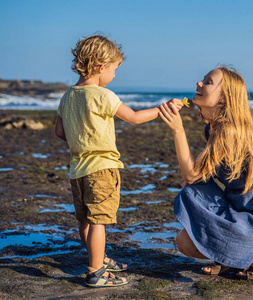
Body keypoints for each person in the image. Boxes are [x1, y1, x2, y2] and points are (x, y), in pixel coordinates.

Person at [55, 34, 182, 287]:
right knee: (99, 221)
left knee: (84, 220)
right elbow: (133, 117)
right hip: (102, 169)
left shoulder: (68, 96)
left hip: (77, 168)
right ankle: (96, 271)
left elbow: (60, 132)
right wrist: (162, 109)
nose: (114, 75)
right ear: (101, 67)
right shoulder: (103, 95)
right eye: (114, 70)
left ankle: (98, 257)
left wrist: (82, 138)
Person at [159, 66, 253, 279]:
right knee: (185, 239)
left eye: (208, 82)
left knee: (189, 190)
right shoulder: (213, 129)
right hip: (241, 209)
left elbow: (191, 175)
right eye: (202, 79)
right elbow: (195, 177)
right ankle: (232, 259)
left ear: (225, 98)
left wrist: (178, 130)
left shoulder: (230, 130)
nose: (199, 84)